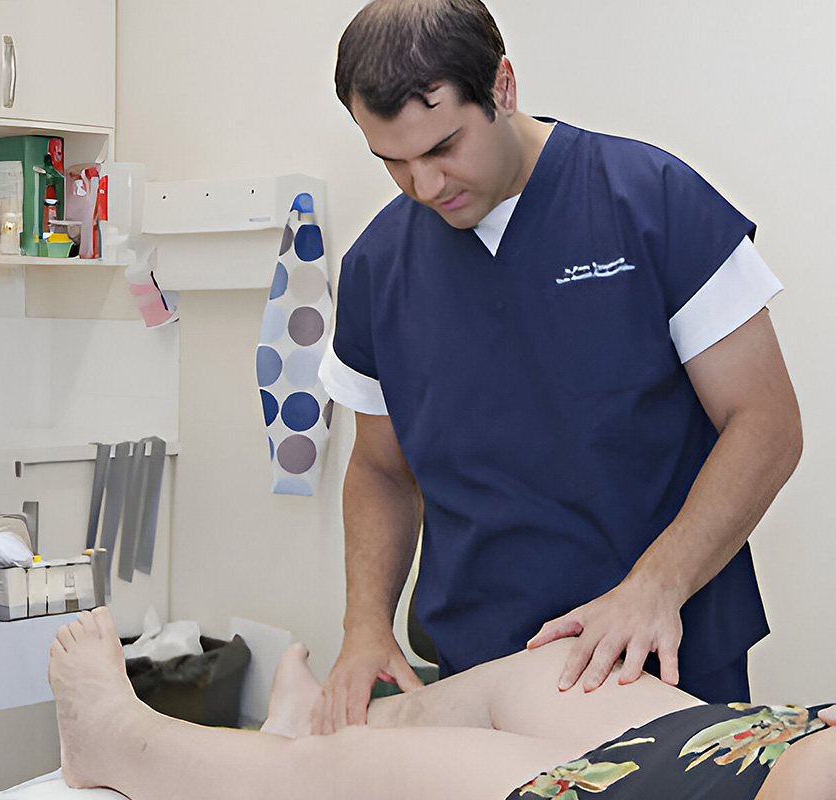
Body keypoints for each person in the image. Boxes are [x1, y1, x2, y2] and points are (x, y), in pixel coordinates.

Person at [313, 0, 803, 731]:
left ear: (502, 86)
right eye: (393, 161)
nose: (424, 184)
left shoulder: (651, 201)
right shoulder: (378, 267)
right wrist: (363, 626)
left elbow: (765, 425)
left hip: (664, 661)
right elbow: (381, 470)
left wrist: (655, 586)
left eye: (444, 146)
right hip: (481, 679)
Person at [49, 607, 834, 800]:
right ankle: (299, 725)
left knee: (340, 771)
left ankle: (113, 739)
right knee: (552, 670)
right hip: (760, 747)